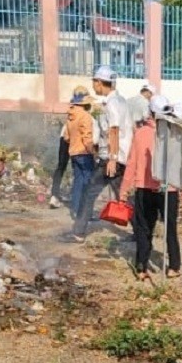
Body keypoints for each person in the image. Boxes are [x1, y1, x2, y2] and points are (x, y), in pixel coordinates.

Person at [121, 95, 181, 280]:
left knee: (144, 228)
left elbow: (131, 162)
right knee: (169, 228)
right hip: (167, 188)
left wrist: (124, 188)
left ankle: (141, 267)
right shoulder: (174, 132)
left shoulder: (142, 133)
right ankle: (174, 267)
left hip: (146, 188)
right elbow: (180, 162)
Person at [73, 66, 132, 241]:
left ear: (99, 82)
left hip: (112, 158)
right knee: (122, 194)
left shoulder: (112, 103)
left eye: (94, 81)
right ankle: (142, 231)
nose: (93, 85)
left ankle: (78, 232)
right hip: (119, 156)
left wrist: (112, 159)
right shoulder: (120, 101)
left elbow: (114, 130)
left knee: (89, 191)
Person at [64, 88, 96, 224]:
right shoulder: (85, 116)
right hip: (84, 153)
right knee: (88, 185)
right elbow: (87, 138)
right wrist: (93, 152)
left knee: (78, 183)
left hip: (73, 153)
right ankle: (85, 214)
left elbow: (66, 137)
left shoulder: (70, 116)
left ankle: (76, 210)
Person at [48, 120, 69, 210]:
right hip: (74, 138)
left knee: (61, 167)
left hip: (65, 136)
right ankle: (77, 198)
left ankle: (54, 195)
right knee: (79, 168)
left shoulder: (73, 112)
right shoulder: (86, 117)